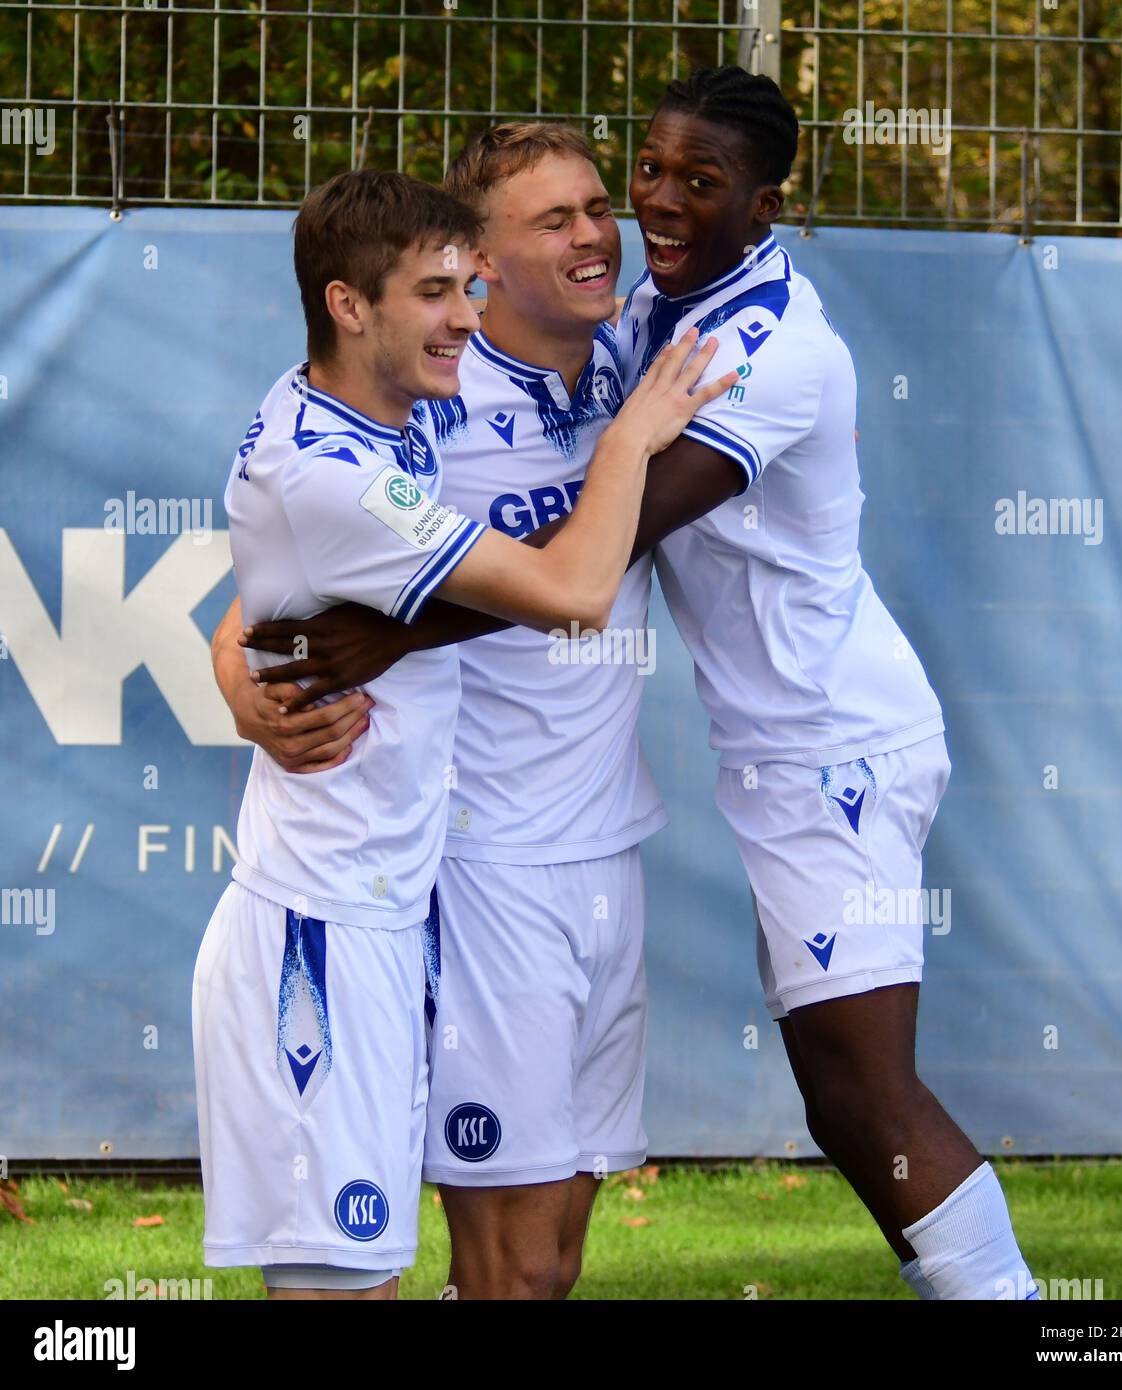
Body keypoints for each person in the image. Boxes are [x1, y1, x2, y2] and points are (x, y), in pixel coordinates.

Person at [234, 67, 1038, 1301]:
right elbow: (280, 563)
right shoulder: (444, 390)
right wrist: (240, 676)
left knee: (844, 1096)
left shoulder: (671, 354)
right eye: (569, 213)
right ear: (477, 262)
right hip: (492, 855)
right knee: (523, 1263)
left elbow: (578, 575)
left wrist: (389, 637)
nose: (616, 224)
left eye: (607, 202)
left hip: (789, 767)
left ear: (763, 199)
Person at [195, 165, 733, 1301]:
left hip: (404, 905)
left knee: (456, 1268)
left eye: (465, 288)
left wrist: (237, 663)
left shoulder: (378, 411)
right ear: (353, 305)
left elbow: (267, 582)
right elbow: (572, 590)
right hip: (335, 925)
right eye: (440, 290)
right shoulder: (354, 458)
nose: (465, 317)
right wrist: (632, 442)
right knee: (358, 1283)